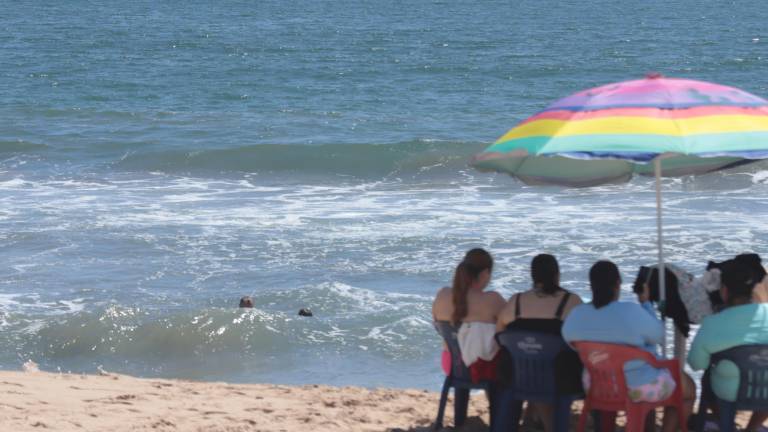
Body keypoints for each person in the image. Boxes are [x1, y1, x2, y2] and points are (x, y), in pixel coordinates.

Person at [562, 260, 694, 432]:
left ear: (591, 285)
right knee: (688, 390)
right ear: (618, 284)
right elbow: (659, 336)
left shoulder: (577, 314)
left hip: (596, 385)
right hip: (638, 387)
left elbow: (570, 342)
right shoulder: (631, 311)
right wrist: (646, 304)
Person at [496, 254, 583, 432]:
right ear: (557, 275)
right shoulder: (571, 302)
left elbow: (499, 335)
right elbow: (584, 338)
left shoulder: (516, 301)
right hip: (560, 379)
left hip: (520, 376)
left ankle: (531, 415)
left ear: (533, 276)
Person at [688, 260, 768, 431]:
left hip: (729, 393)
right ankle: (752, 428)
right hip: (766, 390)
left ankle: (728, 426)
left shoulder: (712, 323)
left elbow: (696, 363)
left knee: (708, 378)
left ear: (724, 291)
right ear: (754, 289)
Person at [432, 248, 505, 381]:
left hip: (452, 366)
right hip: (481, 367)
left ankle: (461, 394)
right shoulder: (492, 299)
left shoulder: (442, 295)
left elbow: (437, 327)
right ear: (485, 273)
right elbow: (510, 327)